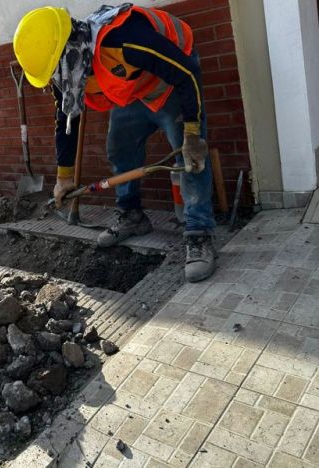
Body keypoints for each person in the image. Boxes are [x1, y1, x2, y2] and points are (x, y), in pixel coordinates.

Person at [13, 3, 217, 283]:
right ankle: (132, 216)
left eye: (52, 71)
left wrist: (193, 133)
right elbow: (66, 119)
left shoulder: (124, 41)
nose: (54, 80)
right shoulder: (68, 71)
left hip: (171, 85)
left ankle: (199, 234)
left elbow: (187, 72)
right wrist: (64, 177)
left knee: (189, 159)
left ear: (67, 48)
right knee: (120, 148)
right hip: (134, 92)